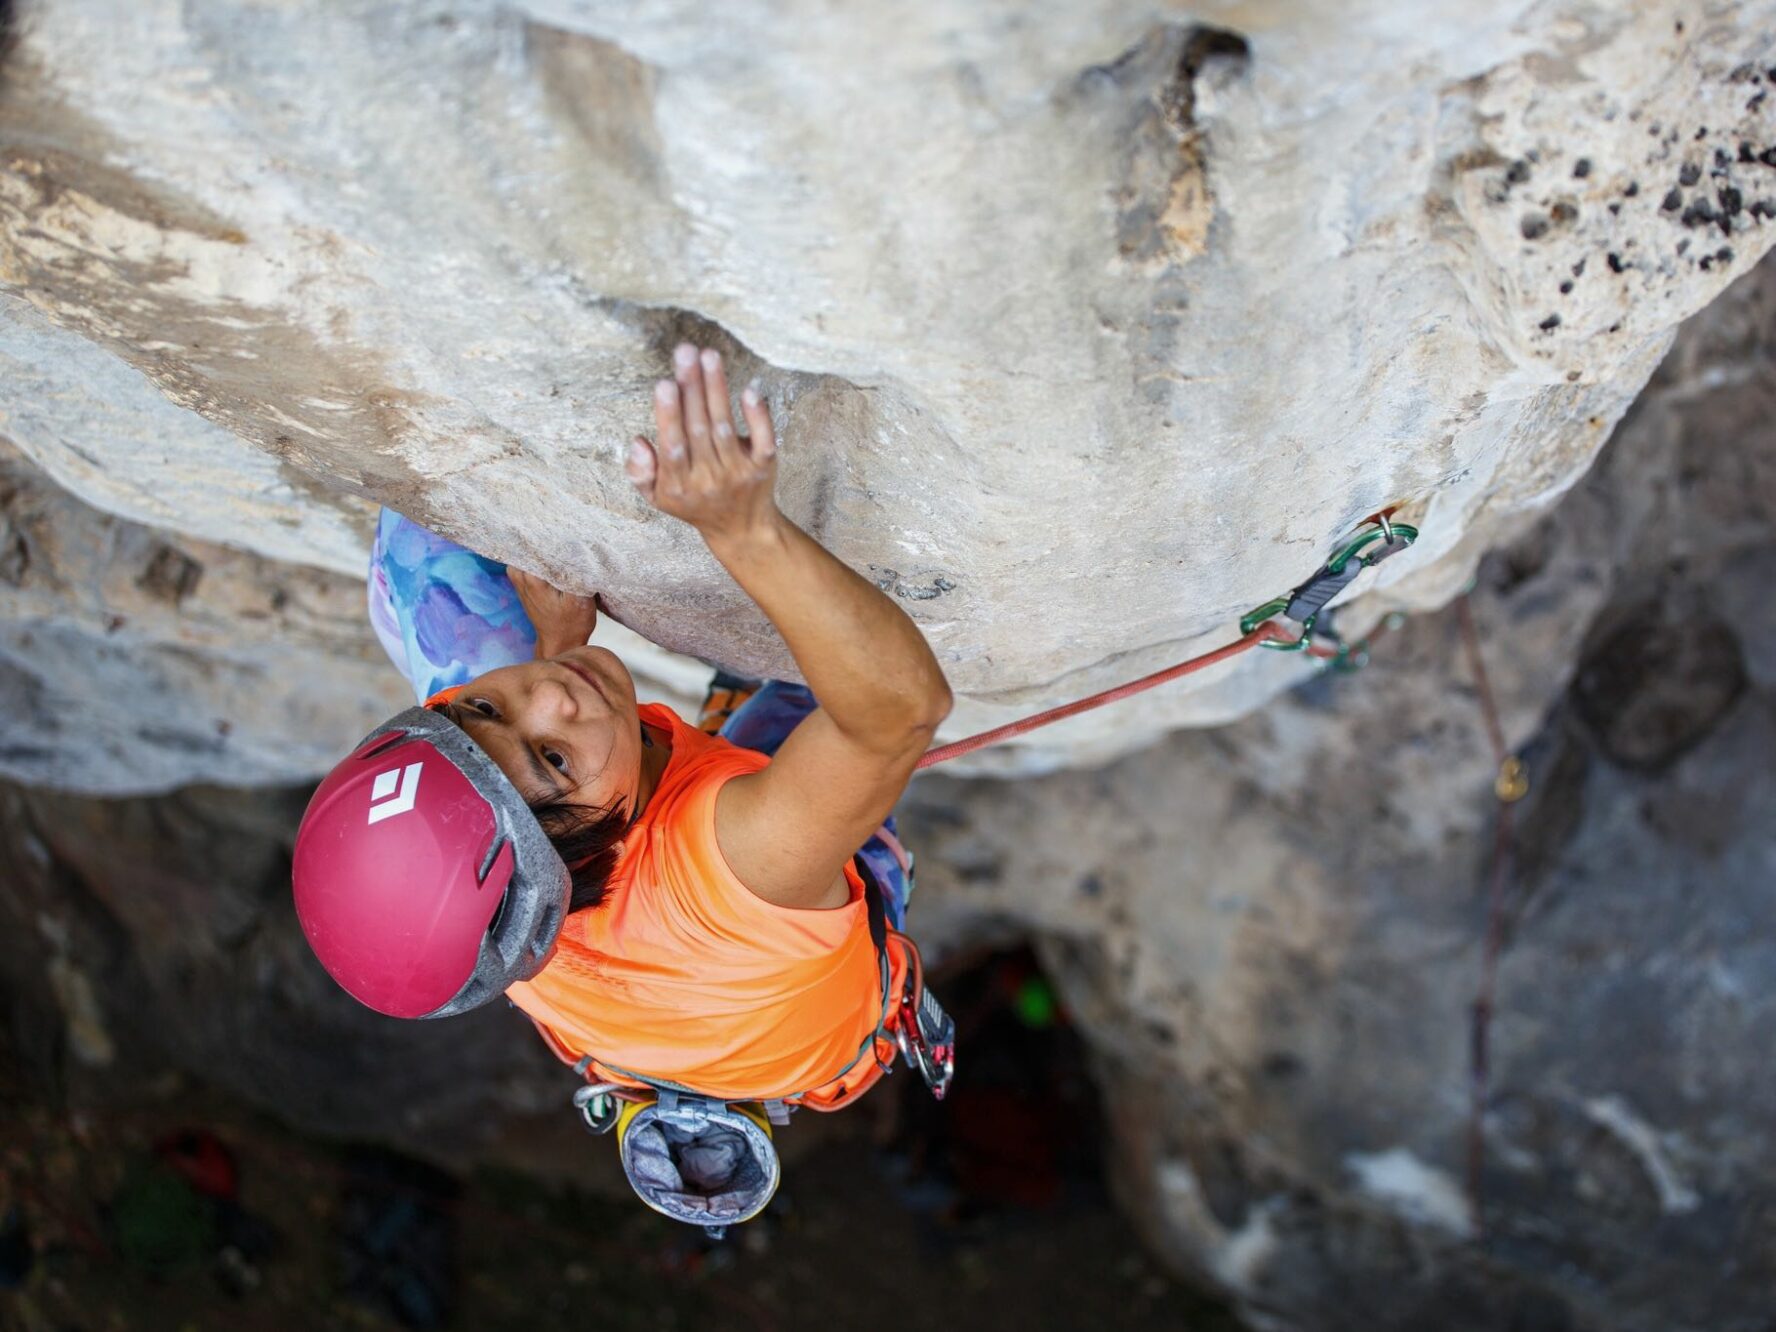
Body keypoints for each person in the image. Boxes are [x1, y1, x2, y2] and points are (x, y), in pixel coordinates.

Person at [292, 343, 953, 1121]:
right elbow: (897, 710)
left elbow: (515, 736)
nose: (548, 693)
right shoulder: (735, 870)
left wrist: (557, 645)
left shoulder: (483, 907)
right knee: (825, 670)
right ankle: (732, 724)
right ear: (586, 860)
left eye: (482, 711)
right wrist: (744, 532)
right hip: (789, 999)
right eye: (553, 757)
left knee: (428, 557)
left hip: (636, 1016)